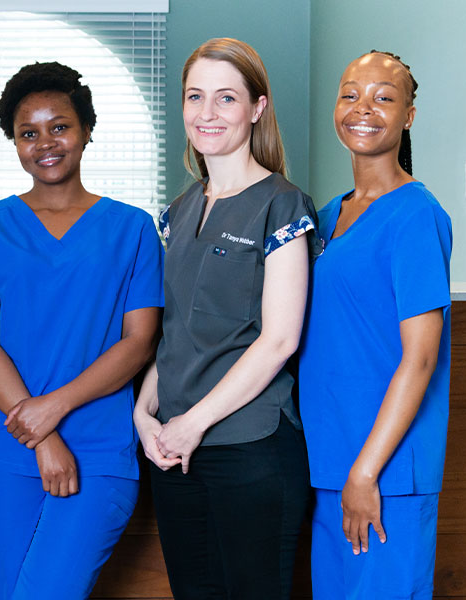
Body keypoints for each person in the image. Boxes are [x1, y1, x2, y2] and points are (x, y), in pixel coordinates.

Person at [0, 61, 164, 600]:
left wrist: (54, 409)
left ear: (86, 130)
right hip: (2, 454)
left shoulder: (132, 228)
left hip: (99, 450)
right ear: (14, 143)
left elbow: (139, 343)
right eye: (28, 132)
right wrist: (41, 435)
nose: (45, 142)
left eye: (60, 126)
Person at [133, 38, 320, 599]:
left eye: (226, 98)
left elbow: (279, 340)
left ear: (257, 108)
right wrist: (146, 413)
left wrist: (193, 422)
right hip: (174, 453)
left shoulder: (284, 205)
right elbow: (178, 334)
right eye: (195, 97)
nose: (207, 114)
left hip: (252, 449)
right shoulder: (177, 211)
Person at [299, 51, 452, 600]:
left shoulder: (416, 214)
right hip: (331, 464)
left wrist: (366, 474)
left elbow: (421, 358)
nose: (363, 108)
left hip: (385, 473)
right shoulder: (325, 214)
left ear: (408, 116)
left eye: (384, 97)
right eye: (350, 94)